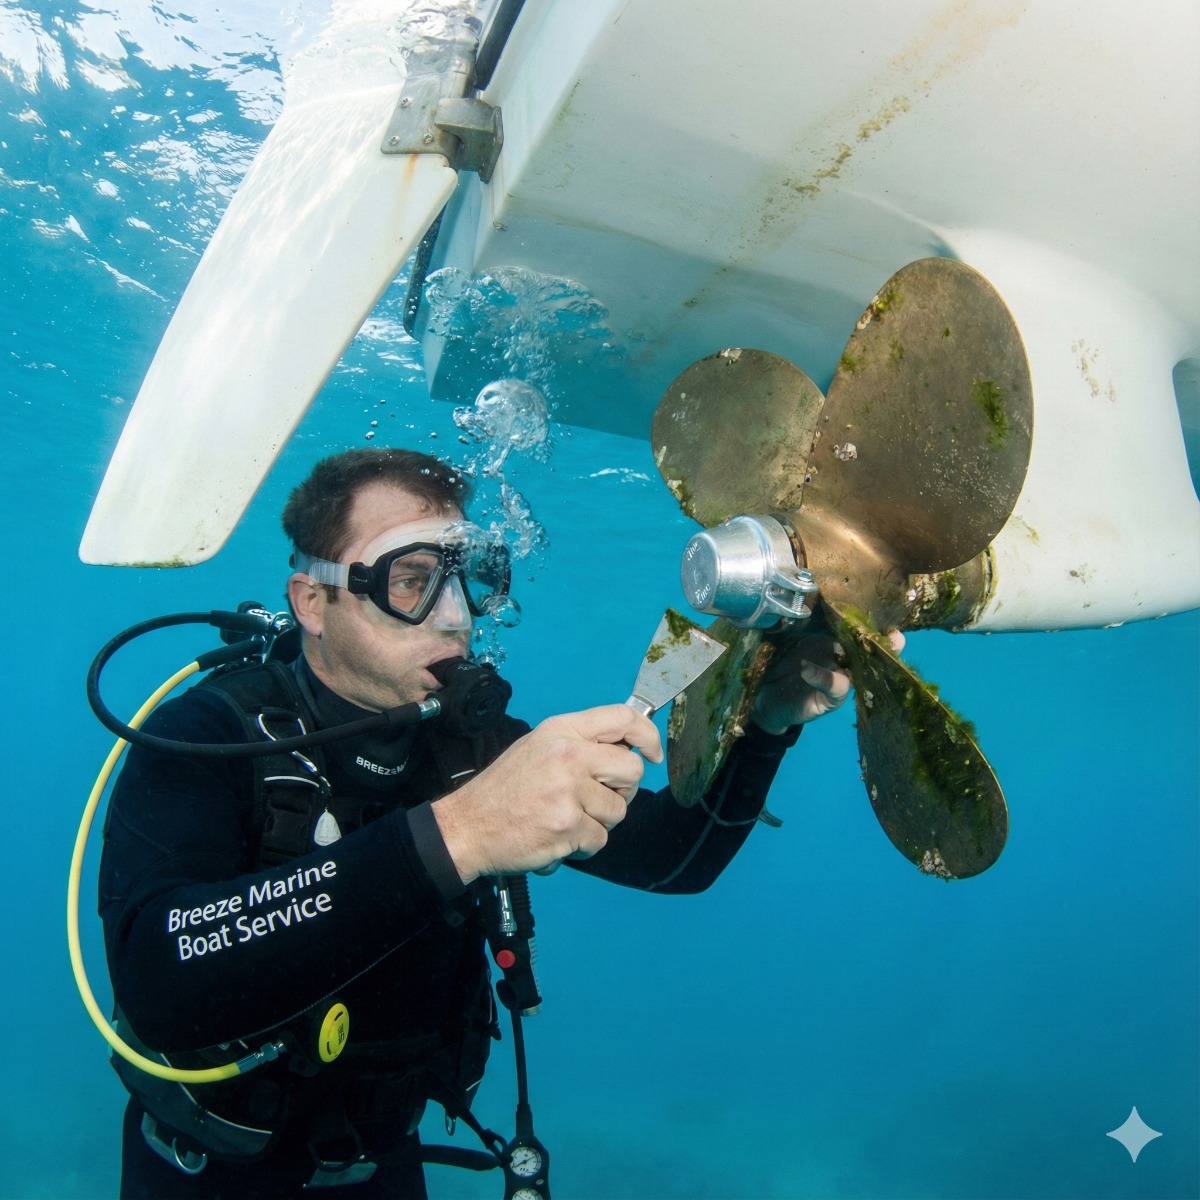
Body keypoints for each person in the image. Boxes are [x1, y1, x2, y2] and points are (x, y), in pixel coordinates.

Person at [99, 447, 861, 1199]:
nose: (456, 616)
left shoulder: (475, 749)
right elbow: (156, 981)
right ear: (311, 602)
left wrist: (762, 726)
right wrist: (461, 834)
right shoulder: (208, 735)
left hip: (384, 1165)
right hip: (207, 1172)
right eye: (411, 581)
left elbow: (669, 860)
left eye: (470, 578)